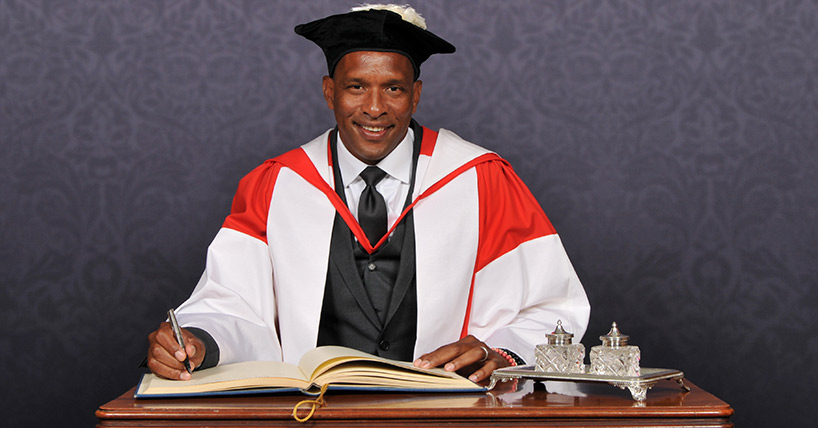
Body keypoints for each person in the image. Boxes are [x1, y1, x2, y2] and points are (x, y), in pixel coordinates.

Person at [146, 4, 590, 384]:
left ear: (415, 95)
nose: (374, 108)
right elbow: (233, 303)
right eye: (356, 86)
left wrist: (501, 353)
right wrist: (195, 342)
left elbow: (552, 306)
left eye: (393, 88)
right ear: (329, 93)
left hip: (446, 414)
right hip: (316, 413)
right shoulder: (277, 184)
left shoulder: (481, 179)